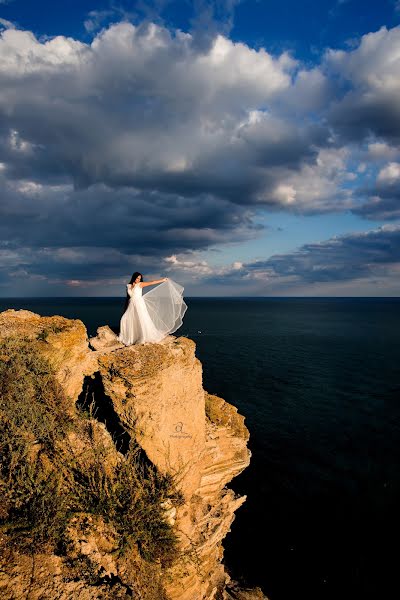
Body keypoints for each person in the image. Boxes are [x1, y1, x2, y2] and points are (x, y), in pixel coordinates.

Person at [117, 272, 187, 345]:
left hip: (139, 304)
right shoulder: (128, 286)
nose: (138, 280)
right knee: (125, 319)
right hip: (131, 304)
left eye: (139, 278)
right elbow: (128, 297)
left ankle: (142, 336)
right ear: (134, 277)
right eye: (137, 278)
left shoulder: (140, 284)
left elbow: (152, 282)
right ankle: (130, 337)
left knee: (141, 320)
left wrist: (162, 280)